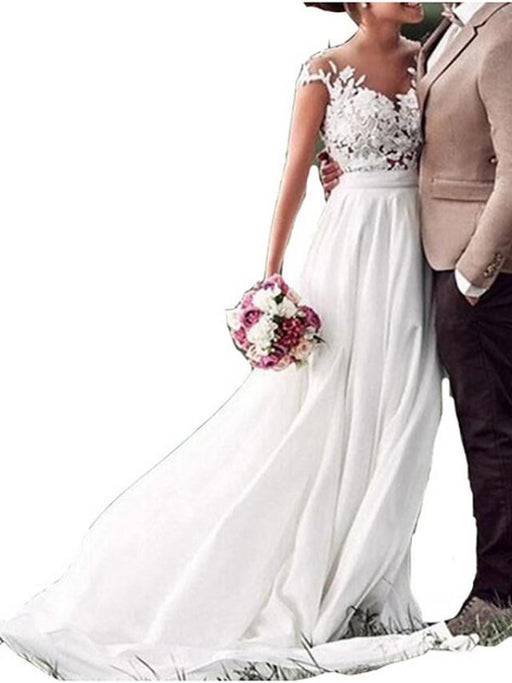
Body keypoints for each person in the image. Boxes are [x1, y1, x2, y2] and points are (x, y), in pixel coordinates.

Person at [0, 3, 478, 680]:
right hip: (349, 252)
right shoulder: (322, 71)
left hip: (414, 248)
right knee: (326, 409)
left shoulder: (429, 58)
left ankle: (370, 580)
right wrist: (272, 281)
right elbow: (295, 170)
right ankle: (310, 575)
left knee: (404, 407)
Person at [317, 1, 512, 641]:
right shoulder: (449, 28)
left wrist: (470, 276)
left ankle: (499, 595)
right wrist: (355, 168)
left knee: (492, 433)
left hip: (478, 273)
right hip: (419, 257)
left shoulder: (504, 31)